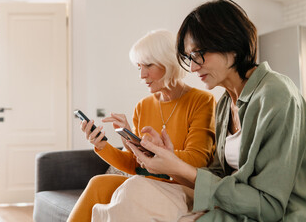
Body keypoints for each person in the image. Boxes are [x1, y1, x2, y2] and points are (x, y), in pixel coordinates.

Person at [95, 0, 306, 221]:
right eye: (189, 58)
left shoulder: (277, 95)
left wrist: (179, 168)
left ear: (231, 44)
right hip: (233, 207)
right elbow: (218, 176)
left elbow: (270, 207)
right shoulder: (225, 103)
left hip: (281, 216)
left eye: (198, 54)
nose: (192, 67)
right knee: (133, 190)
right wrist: (170, 161)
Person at [67, 29, 217, 222]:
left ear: (168, 62)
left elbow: (198, 161)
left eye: (148, 65)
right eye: (139, 67)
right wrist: (103, 146)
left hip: (184, 187)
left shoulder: (202, 101)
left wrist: (154, 151)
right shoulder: (143, 106)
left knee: (134, 186)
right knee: (98, 183)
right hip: (149, 184)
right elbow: (136, 166)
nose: (142, 75)